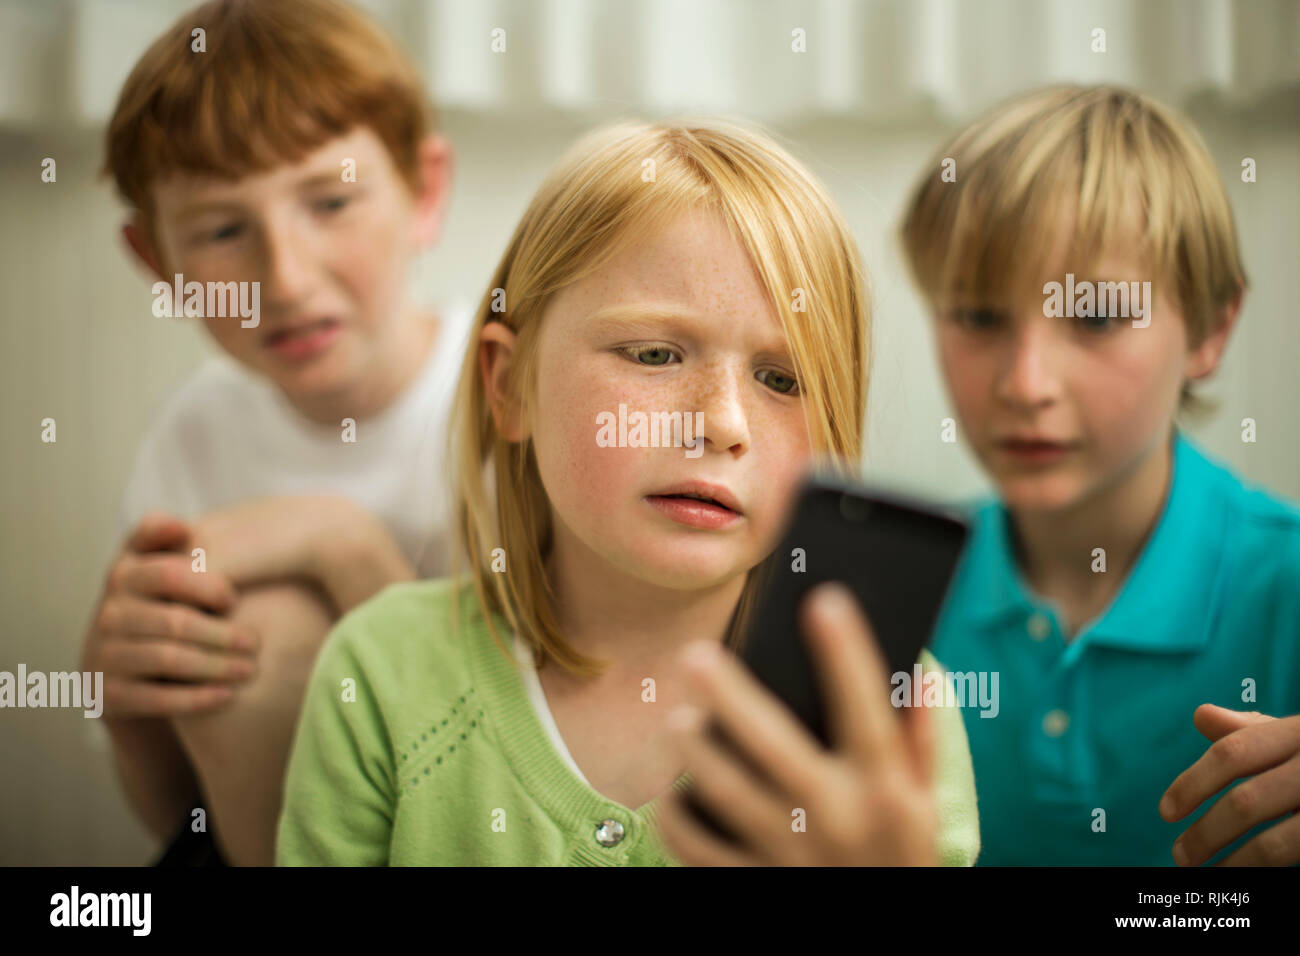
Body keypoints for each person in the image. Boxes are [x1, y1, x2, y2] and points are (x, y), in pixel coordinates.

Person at [277, 118, 982, 866]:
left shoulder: (883, 712)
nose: (722, 423)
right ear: (510, 385)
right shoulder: (382, 673)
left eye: (781, 379)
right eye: (653, 355)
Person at [81, 0, 470, 866]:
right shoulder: (196, 432)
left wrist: (338, 542)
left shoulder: (505, 403)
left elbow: (512, 751)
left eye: (330, 203)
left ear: (424, 192)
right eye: (222, 231)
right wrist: (125, 706)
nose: (285, 280)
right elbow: (182, 819)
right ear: (159, 265)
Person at [899, 83, 1300, 865]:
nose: (1027, 383)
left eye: (1094, 318)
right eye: (980, 317)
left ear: (1212, 330)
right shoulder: (892, 596)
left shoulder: (1286, 589)